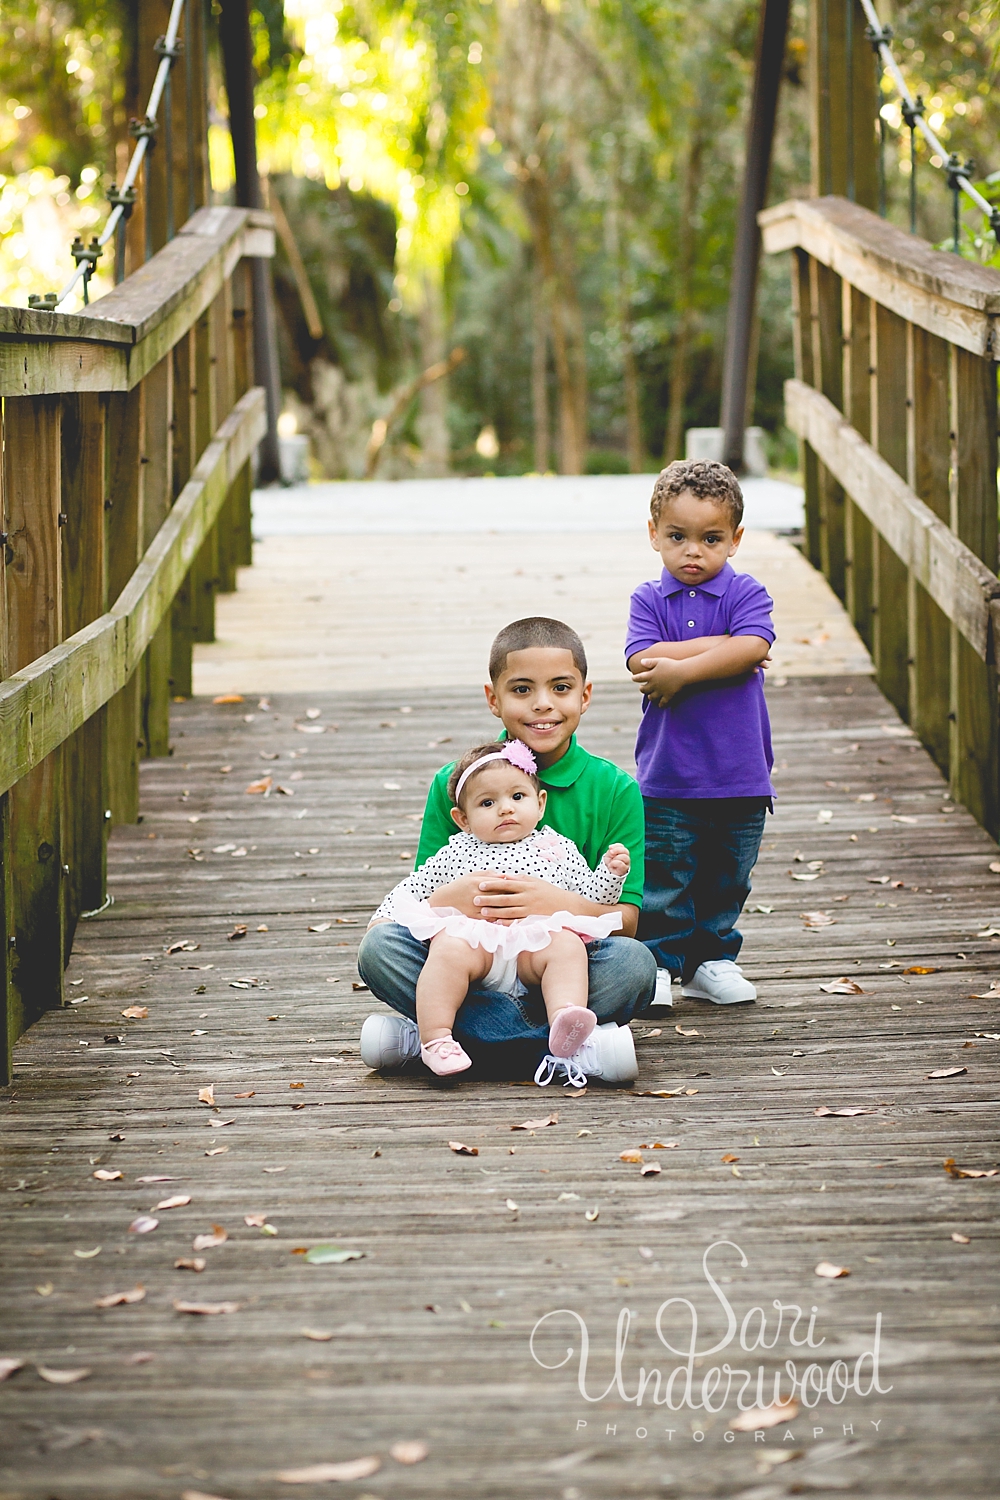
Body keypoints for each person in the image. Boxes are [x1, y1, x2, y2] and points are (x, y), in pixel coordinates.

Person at [358, 616, 656, 1084]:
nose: (543, 704)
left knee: (635, 966)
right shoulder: (454, 785)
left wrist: (552, 902)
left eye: (560, 688)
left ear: (585, 694)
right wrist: (453, 898)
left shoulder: (615, 788)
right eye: (521, 690)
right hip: (469, 961)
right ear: (493, 699)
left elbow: (627, 921)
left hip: (558, 967)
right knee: (380, 949)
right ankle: (564, 1049)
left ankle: (435, 1039)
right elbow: (420, 905)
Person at [370, 737, 630, 1082]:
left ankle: (564, 1017)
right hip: (478, 952)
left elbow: (593, 897)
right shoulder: (456, 852)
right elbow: (414, 888)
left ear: (540, 804)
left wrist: (611, 874)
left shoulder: (557, 848)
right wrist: (382, 920)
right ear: (462, 818)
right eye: (488, 802)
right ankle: (436, 1039)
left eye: (517, 797)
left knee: (570, 947)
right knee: (447, 949)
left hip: (534, 954)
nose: (505, 808)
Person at [626, 459, 774, 1008]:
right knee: (667, 876)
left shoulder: (747, 592)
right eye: (677, 536)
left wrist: (682, 667)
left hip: (741, 774)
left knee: (727, 876)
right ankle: (660, 964)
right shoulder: (648, 600)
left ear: (735, 540)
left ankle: (713, 960)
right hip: (669, 775)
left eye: (711, 538)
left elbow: (754, 645)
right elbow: (643, 659)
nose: (694, 551)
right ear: (654, 534)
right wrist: (723, 650)